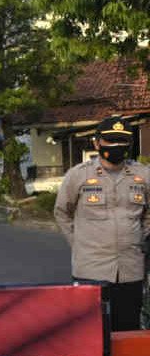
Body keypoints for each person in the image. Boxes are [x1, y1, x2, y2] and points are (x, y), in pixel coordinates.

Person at [54, 116, 150, 331]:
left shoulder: (143, 176)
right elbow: (62, 213)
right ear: (97, 143)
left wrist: (139, 237)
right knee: (90, 334)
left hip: (130, 269)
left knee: (127, 332)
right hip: (91, 269)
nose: (117, 147)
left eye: (122, 141)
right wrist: (79, 243)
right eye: (111, 141)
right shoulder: (78, 176)